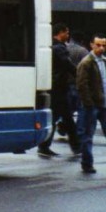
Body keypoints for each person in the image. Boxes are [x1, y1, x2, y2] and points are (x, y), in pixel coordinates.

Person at [39, 23, 79, 156]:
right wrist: (80, 75)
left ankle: (44, 146)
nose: (67, 36)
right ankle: (77, 147)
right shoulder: (60, 48)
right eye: (66, 33)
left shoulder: (50, 45)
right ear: (60, 33)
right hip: (60, 88)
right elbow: (68, 65)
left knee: (55, 117)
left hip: (54, 87)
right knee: (67, 118)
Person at [75, 33, 106, 174]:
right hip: (92, 105)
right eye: (98, 45)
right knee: (88, 134)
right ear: (91, 45)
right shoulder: (86, 62)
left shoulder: (103, 61)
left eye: (104, 45)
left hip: (103, 103)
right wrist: (88, 103)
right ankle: (87, 163)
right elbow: (81, 84)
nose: (101, 48)